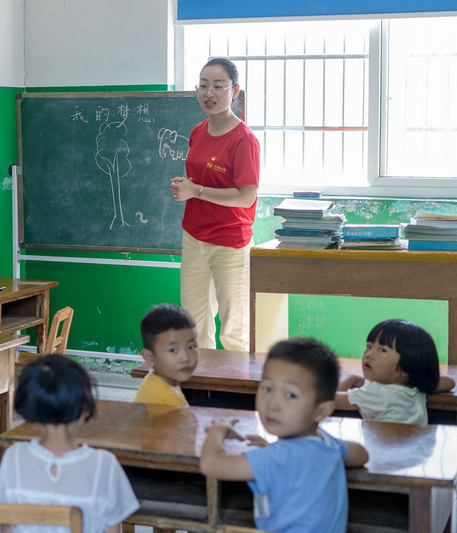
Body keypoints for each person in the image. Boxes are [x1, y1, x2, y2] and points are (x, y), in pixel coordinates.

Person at [200, 338, 369, 533]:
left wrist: (217, 431)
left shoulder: (278, 457)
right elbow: (361, 454)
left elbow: (211, 465)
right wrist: (273, 450)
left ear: (321, 411)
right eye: (267, 388)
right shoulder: (327, 443)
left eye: (290, 395)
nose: (272, 403)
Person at [170, 58, 260, 352]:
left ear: (234, 92)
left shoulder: (244, 140)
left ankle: (235, 395)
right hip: (194, 237)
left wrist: (196, 191)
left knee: (233, 330)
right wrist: (187, 189)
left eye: (218, 87)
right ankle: (199, 391)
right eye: (203, 86)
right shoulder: (198, 131)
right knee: (193, 326)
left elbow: (247, 196)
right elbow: (199, 180)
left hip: (230, 242)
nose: (209, 93)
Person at [0, 354, 139, 533]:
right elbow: (112, 530)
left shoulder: (14, 457)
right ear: (86, 408)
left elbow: (6, 527)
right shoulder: (105, 464)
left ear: (28, 407)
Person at [335, 319, 456, 424]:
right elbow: (449, 382)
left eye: (382, 350)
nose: (368, 354)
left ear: (406, 368)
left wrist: (350, 378)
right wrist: (418, 374)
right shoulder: (415, 388)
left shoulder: (377, 393)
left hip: (381, 451)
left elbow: (328, 399)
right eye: (369, 346)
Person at [133, 304, 198, 407]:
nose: (185, 357)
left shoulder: (152, 378)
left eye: (191, 347)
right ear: (149, 357)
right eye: (173, 350)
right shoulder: (173, 400)